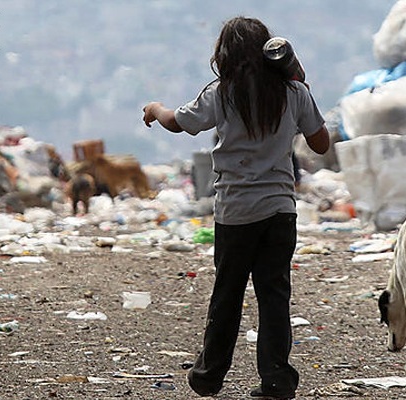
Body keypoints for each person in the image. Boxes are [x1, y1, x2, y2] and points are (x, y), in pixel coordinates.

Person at [142, 16, 329, 399]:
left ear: (224, 55)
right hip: (280, 211)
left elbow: (180, 123)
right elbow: (322, 143)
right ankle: (276, 382)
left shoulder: (222, 93)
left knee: (227, 295)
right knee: (274, 297)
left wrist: (155, 108)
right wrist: (302, 86)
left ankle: (209, 376)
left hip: (236, 212)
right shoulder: (292, 93)